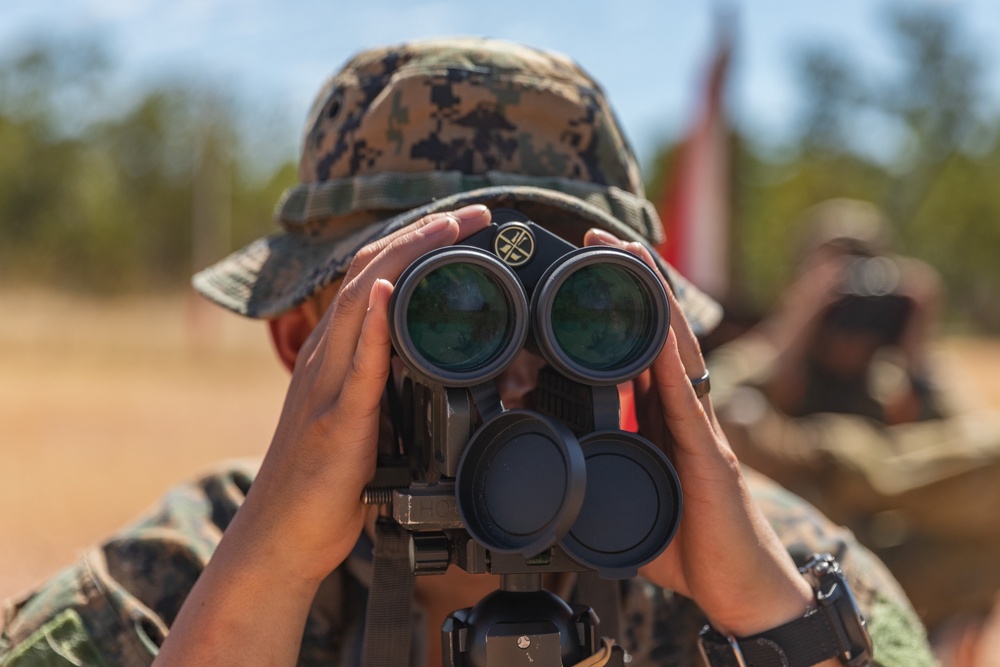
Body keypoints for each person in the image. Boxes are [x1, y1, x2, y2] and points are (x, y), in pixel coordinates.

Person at [0, 40, 933, 667]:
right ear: (302, 341)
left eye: (583, 315)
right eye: (445, 313)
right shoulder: (165, 589)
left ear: (656, 343)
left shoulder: (781, 570)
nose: (516, 373)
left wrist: (774, 620)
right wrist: (260, 585)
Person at [708, 198, 1000, 646]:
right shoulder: (779, 355)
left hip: (872, 554)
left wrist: (915, 357)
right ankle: (847, 466)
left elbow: (964, 452)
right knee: (741, 419)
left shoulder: (887, 375)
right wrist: (795, 326)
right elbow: (714, 406)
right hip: (783, 558)